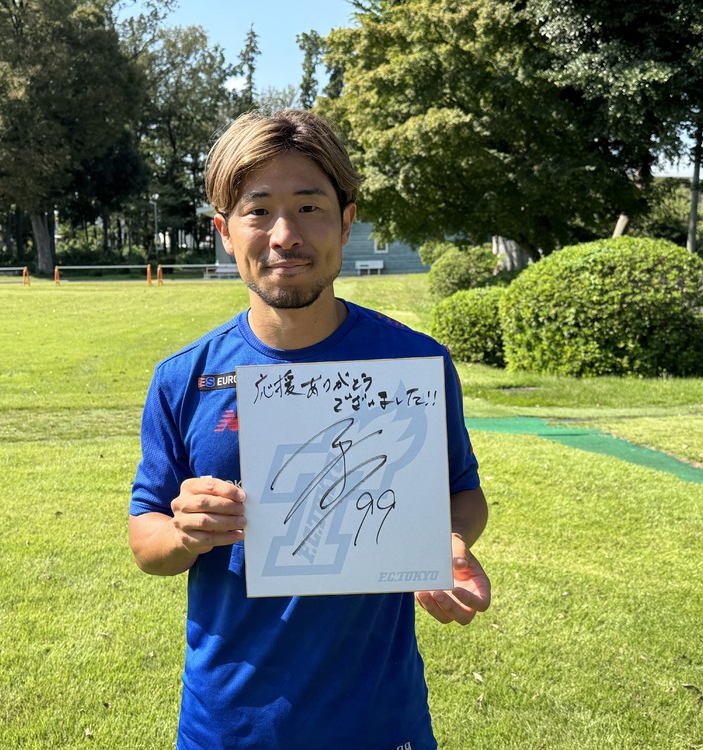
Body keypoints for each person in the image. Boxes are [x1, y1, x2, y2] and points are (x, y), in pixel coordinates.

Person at [129, 109, 491, 749]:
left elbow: (462, 492)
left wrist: (450, 540)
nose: (285, 235)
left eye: (308, 207)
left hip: (380, 721)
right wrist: (184, 533)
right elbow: (145, 537)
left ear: (346, 221)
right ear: (224, 231)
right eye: (258, 210)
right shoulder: (185, 377)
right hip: (228, 725)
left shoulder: (414, 364)